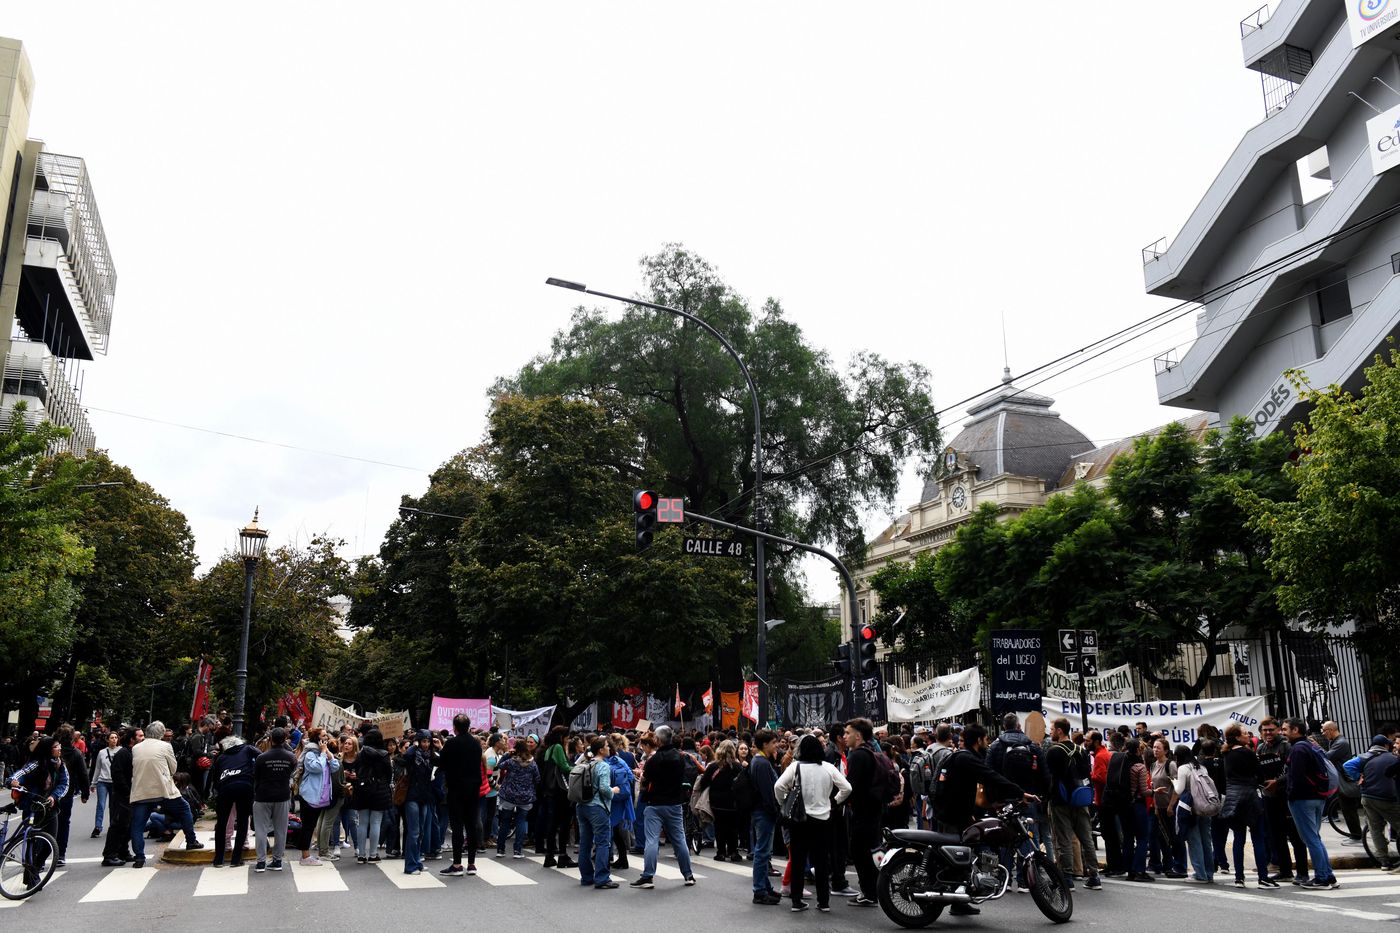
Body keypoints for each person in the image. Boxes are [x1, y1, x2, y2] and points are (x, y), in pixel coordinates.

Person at [931, 723, 1039, 918]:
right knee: (957, 857)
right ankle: (949, 894)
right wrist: (1020, 793)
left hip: (954, 814)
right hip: (953, 816)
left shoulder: (959, 757)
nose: (988, 743)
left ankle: (960, 901)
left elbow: (963, 788)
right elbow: (991, 776)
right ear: (979, 740)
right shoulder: (967, 758)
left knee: (964, 856)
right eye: (986, 739)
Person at [773, 734, 853, 913]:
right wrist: (834, 801)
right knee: (822, 861)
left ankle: (796, 901)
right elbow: (847, 788)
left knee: (798, 861)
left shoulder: (795, 766)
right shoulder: (827, 768)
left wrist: (783, 802)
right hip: (823, 820)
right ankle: (823, 901)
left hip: (799, 820)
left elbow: (778, 786)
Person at [129, 720, 202, 868]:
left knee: (137, 825)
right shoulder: (165, 746)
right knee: (184, 809)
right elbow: (173, 769)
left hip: (141, 791)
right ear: (161, 734)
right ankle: (191, 841)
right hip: (163, 789)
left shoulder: (136, 748)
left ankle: (139, 857)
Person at [631, 724, 695, 888]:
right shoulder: (680, 757)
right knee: (679, 840)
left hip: (655, 803)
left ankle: (648, 876)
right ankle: (688, 875)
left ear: (658, 740)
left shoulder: (654, 760)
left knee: (651, 840)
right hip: (674, 803)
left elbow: (646, 780)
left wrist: (642, 777)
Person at [1045, 717, 1102, 890]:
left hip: (1061, 799)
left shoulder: (1054, 751)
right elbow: (1087, 774)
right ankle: (1094, 875)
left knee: (1064, 839)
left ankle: (1067, 878)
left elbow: (1051, 777)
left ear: (1060, 731)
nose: (1051, 732)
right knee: (1086, 838)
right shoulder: (1081, 750)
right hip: (1080, 798)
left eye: (1053, 729)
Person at [1282, 718, 1338, 889]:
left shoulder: (1298, 749)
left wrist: (1290, 795)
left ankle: (1321, 878)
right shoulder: (1309, 745)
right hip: (1317, 797)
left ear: (1295, 730)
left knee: (1311, 838)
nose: (1283, 732)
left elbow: (1297, 777)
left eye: (1285, 729)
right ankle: (1328, 875)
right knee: (1315, 837)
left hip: (1303, 799)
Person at [1221, 722, 1275, 888]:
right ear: (1237, 737)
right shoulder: (1248, 753)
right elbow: (1260, 776)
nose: (1248, 735)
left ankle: (1239, 877)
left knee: (1239, 838)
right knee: (1258, 837)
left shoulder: (1227, 754)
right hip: (1250, 797)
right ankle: (1263, 877)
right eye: (1245, 733)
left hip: (1233, 799)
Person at [1256, 717, 1307, 883]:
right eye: (1265, 730)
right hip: (1269, 797)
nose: (1268, 733)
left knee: (1295, 836)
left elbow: (1293, 772)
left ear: (1278, 730)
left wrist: (1277, 783)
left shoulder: (1287, 746)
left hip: (1286, 797)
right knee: (1276, 835)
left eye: (1271, 729)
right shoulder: (1261, 747)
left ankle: (1302, 872)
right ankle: (1285, 870)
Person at [842, 718, 883, 908]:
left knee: (860, 852)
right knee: (870, 850)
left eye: (847, 733)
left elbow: (850, 786)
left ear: (857, 736)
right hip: (873, 809)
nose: (844, 736)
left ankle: (869, 892)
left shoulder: (858, 755)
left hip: (863, 811)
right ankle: (873, 890)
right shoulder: (871, 750)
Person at [1345, 735, 1400, 871]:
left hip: (1368, 796)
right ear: (1386, 746)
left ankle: (1384, 862)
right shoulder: (1393, 758)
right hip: (1388, 798)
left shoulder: (1364, 757)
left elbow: (1347, 765)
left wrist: (1358, 777)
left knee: (1375, 829)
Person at [438, 713, 483, 877]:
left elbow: (442, 764)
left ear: (454, 727)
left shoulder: (451, 743)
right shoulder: (476, 744)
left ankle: (457, 864)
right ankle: (471, 864)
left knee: (457, 825)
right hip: (473, 789)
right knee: (471, 825)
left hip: (456, 788)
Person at [210, 734, 259, 868]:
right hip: (245, 785)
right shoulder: (248, 749)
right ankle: (236, 859)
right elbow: (261, 757)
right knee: (243, 821)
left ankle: (218, 859)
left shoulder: (221, 757)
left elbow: (215, 777)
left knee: (221, 823)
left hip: (225, 788)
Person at [252, 726, 296, 873]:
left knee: (261, 829)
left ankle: (260, 862)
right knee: (281, 830)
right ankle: (277, 860)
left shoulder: (261, 757)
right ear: (285, 739)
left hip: (263, 795)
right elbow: (292, 773)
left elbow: (256, 777)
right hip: (282, 795)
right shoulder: (290, 757)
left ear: (270, 739)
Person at [577, 736, 617, 889]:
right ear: (601, 749)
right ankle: (602, 878)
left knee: (585, 843)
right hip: (597, 807)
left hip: (582, 806)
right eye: (607, 746)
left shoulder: (586, 763)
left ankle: (586, 877)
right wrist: (614, 791)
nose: (609, 748)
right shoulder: (603, 766)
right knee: (602, 843)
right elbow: (604, 789)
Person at [1170, 744, 1214, 883]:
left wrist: (1174, 781)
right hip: (1205, 807)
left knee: (1194, 841)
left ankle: (1200, 874)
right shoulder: (1201, 766)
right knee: (1206, 841)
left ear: (1177, 756)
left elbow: (1179, 789)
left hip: (1191, 809)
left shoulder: (1183, 768)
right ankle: (1209, 873)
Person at [748, 729, 782, 905]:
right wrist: (775, 811)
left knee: (763, 852)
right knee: (762, 853)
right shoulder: (761, 763)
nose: (777, 745)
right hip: (764, 812)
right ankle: (759, 891)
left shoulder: (760, 761)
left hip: (761, 811)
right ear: (765, 744)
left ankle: (765, 888)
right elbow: (768, 793)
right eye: (774, 742)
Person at [350, 728, 393, 864]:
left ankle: (361, 854)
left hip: (363, 789)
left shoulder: (361, 754)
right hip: (380, 790)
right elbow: (388, 773)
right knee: (375, 823)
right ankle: (373, 854)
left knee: (362, 823)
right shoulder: (384, 754)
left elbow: (357, 769)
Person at [401, 730, 439, 875]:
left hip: (424, 796)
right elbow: (406, 756)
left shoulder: (431, 755)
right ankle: (410, 866)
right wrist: (414, 745)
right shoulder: (412, 754)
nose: (426, 744)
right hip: (412, 795)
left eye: (428, 741)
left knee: (421, 831)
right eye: (424, 741)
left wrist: (439, 746)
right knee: (414, 832)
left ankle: (417, 861)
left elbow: (443, 762)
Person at [537, 726, 576, 869]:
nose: (569, 739)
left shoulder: (549, 748)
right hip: (559, 791)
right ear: (562, 737)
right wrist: (579, 768)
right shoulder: (558, 748)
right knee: (564, 823)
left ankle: (549, 856)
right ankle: (562, 855)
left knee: (552, 823)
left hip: (550, 791)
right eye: (567, 736)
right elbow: (565, 767)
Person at [495, 738, 539, 859]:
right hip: (525, 796)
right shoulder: (532, 763)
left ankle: (500, 849)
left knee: (505, 822)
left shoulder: (511, 762)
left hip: (509, 795)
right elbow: (537, 779)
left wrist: (507, 755)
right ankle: (518, 850)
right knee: (521, 821)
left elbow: (499, 765)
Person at [697, 739, 741, 862]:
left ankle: (721, 852)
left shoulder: (713, 767)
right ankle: (733, 851)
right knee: (733, 828)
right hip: (733, 803)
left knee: (719, 827)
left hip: (716, 802)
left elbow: (704, 782)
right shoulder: (737, 767)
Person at [101, 727, 139, 867]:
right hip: (123, 795)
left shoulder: (131, 752)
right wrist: (127, 791)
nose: (143, 738)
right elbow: (117, 774)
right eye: (140, 736)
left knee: (127, 825)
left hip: (129, 794)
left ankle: (123, 851)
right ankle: (109, 855)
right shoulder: (123, 753)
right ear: (132, 739)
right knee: (118, 825)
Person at [1321, 720, 1363, 841]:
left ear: (1331, 730)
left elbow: (1327, 757)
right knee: (1346, 808)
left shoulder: (1341, 743)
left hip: (1345, 780)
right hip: (1340, 779)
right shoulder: (1335, 742)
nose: (1323, 733)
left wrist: (1317, 747)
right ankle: (1355, 834)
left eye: (1324, 730)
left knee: (1348, 808)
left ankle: (1356, 835)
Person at [607, 736, 636, 870]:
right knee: (616, 830)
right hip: (623, 798)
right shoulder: (620, 761)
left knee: (607, 830)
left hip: (609, 798)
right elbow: (631, 777)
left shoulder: (602, 762)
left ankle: (606, 859)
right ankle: (623, 858)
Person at [90, 730, 120, 839]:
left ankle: (113, 826)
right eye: (112, 738)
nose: (114, 740)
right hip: (102, 781)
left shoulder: (121, 751)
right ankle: (98, 827)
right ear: (108, 740)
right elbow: (97, 768)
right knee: (101, 805)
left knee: (113, 806)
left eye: (116, 738)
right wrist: (93, 783)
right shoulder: (102, 752)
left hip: (114, 782)